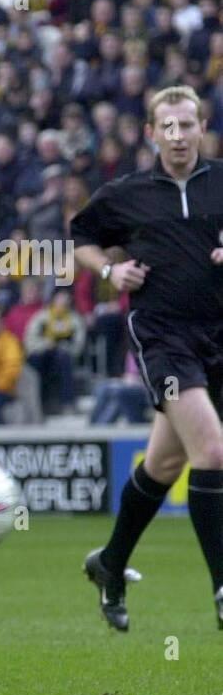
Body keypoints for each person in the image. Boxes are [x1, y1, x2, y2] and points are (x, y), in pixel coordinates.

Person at [72, 85, 223, 631]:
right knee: (212, 449)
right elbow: (82, 237)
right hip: (162, 337)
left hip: (218, 338)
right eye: (169, 127)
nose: (179, 136)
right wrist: (110, 271)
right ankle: (222, 587)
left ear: (202, 128)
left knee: (164, 464)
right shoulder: (127, 194)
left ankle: (109, 564)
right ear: (151, 133)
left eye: (188, 125)